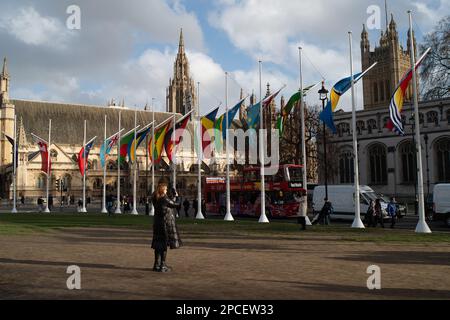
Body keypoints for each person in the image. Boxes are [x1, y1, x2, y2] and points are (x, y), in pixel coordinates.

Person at [151, 182, 182, 272]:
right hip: (164, 224)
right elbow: (176, 204)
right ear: (162, 190)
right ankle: (162, 265)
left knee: (157, 245)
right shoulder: (164, 199)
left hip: (157, 224)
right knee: (163, 245)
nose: (167, 190)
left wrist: (171, 197)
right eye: (165, 189)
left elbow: (168, 203)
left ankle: (156, 264)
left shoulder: (155, 198)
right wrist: (177, 196)